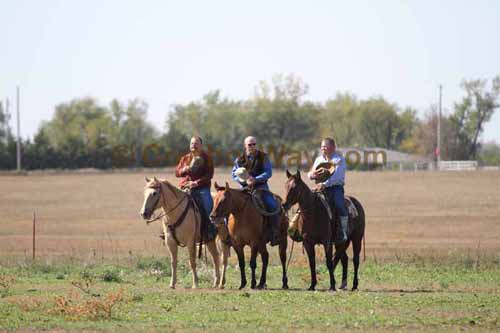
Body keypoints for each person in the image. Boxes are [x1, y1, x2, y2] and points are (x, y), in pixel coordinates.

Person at [231, 136, 280, 246]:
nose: (252, 146)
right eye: (250, 144)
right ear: (245, 146)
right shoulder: (239, 159)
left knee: (272, 205)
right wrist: (243, 180)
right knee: (228, 204)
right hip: (244, 189)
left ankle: (274, 233)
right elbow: (234, 174)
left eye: (254, 144)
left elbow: (268, 172)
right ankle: (228, 234)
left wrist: (255, 179)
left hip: (261, 188)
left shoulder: (263, 157)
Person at [307, 137, 348, 244]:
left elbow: (338, 177)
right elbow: (310, 173)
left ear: (333, 147)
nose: (323, 148)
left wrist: (324, 184)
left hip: (335, 189)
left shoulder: (339, 160)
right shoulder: (318, 159)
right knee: (306, 203)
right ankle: (301, 229)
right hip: (319, 188)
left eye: (325, 146)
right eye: (322, 147)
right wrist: (312, 175)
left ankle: (343, 231)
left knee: (339, 205)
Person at [175, 136, 215, 239]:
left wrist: (196, 183)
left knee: (207, 205)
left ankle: (208, 229)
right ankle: (169, 229)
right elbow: (177, 173)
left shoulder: (207, 158)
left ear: (201, 145)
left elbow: (209, 175)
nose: (194, 145)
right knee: (171, 201)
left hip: (201, 188)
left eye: (196, 143)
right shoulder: (185, 158)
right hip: (185, 187)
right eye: (192, 143)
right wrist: (184, 169)